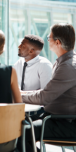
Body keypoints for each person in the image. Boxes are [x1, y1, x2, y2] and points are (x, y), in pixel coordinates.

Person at [18, 23, 76, 152]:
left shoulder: (68, 66)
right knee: (17, 125)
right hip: (54, 117)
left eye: (49, 38)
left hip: (65, 123)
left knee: (19, 133)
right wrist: (21, 93)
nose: (47, 40)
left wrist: (17, 96)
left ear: (57, 42)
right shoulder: (63, 62)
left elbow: (44, 97)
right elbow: (47, 92)